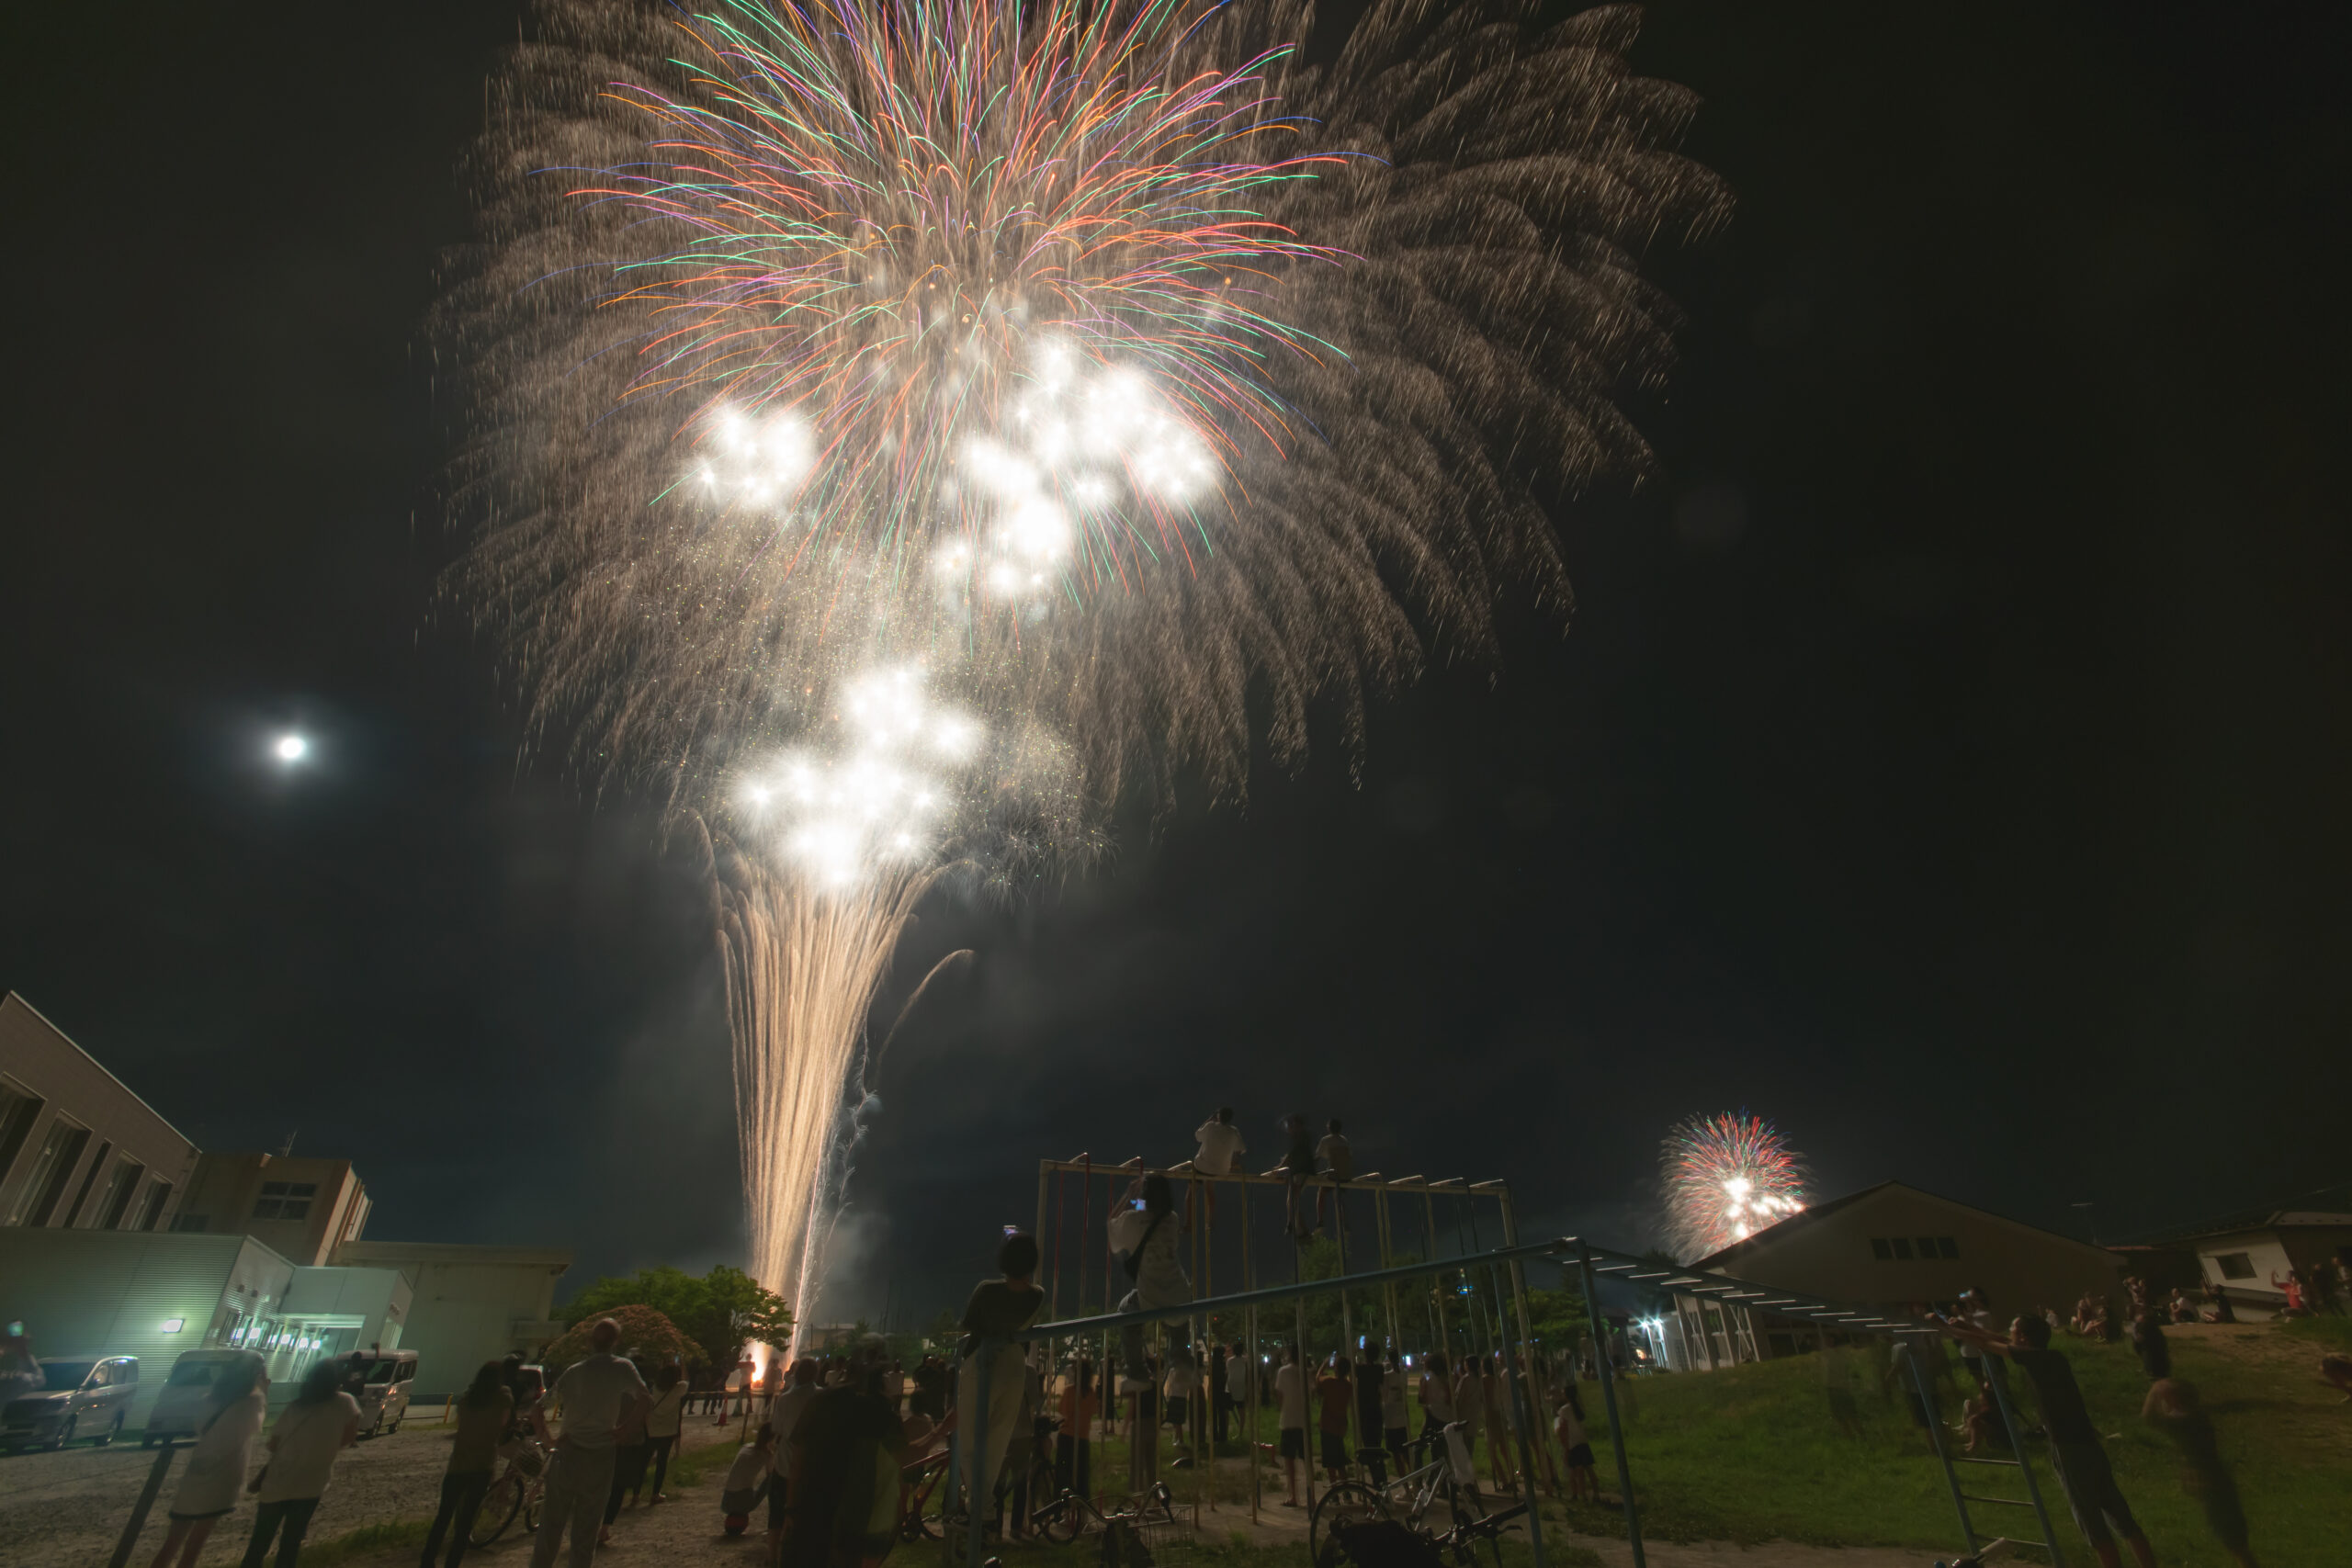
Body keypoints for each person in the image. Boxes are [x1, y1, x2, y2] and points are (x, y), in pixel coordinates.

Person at [1936, 1310, 2156, 1568]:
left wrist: (1947, 1328)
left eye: (2014, 1330)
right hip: (2089, 1444)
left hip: (2069, 1450)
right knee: (2122, 1518)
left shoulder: (2033, 1357)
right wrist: (1965, 1325)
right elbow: (1997, 1339)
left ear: (2025, 1339)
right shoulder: (2050, 1356)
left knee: (2094, 1527)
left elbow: (1988, 1344)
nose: (2010, 1333)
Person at [781, 1337, 944, 1568]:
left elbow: (798, 1457)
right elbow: (906, 1456)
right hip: (850, 1522)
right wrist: (940, 1431)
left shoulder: (822, 1401)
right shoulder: (880, 1412)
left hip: (810, 1512)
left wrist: (791, 1508)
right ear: (883, 1372)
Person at [531, 1318, 651, 1568]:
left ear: (589, 1341)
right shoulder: (623, 1368)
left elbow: (537, 1410)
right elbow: (645, 1400)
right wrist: (625, 1430)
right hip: (601, 1453)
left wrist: (549, 1440)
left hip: (567, 1452)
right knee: (586, 1529)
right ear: (616, 1342)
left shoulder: (574, 1372)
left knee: (550, 1526)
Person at [241, 1358, 363, 1568]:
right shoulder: (345, 1402)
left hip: (278, 1481)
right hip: (311, 1484)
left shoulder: (296, 1406)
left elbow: (273, 1445)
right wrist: (325, 1446)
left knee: (259, 1542)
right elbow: (349, 1436)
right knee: (290, 1544)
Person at [148, 1352, 267, 1568]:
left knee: (172, 1542)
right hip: (223, 1473)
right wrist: (264, 1390)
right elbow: (256, 1427)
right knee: (195, 1543)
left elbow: (198, 1427)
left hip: (197, 1468)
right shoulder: (252, 1402)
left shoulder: (209, 1399)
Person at [957, 1231, 1046, 1514]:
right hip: (1014, 1365)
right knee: (998, 1439)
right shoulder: (1038, 1296)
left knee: (971, 1437)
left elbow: (968, 1324)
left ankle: (978, 1504)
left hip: (982, 1362)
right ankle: (983, 1505)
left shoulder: (986, 1290)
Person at [2143, 1380, 2259, 1568]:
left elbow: (2150, 1418)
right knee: (2235, 1541)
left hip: (2214, 1488)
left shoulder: (2184, 1423)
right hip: (2217, 1484)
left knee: (2235, 1544)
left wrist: (2154, 1391)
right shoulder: (2196, 1417)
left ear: (2175, 1399)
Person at [420, 1360, 514, 1568]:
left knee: (443, 1517)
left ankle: (427, 1561)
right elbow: (503, 1423)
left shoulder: (467, 1398)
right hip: (482, 1466)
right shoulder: (503, 1396)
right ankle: (452, 1563)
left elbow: (460, 1424)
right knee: (465, 1522)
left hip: (458, 1464)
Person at [1107, 1175, 1191, 1392]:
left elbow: (1111, 1226)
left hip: (1149, 1296)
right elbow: (1154, 1207)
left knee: (1126, 1310)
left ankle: (1137, 1372)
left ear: (1144, 1197)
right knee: (1180, 1320)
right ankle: (1181, 1362)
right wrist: (1140, 1198)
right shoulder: (1172, 1219)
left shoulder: (1132, 1220)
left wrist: (1129, 1195)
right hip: (1179, 1293)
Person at [600, 1359, 653, 1544]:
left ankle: (597, 1525)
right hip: (629, 1442)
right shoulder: (637, 1392)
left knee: (603, 1484)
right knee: (617, 1486)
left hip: (606, 1441)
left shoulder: (608, 1391)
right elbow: (647, 1409)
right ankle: (604, 1527)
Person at [639, 1363, 685, 1506]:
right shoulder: (679, 1389)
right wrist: (682, 1365)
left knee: (643, 1461)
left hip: (651, 1430)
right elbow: (686, 1380)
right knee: (662, 1462)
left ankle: (636, 1494)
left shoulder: (653, 1389)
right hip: (668, 1430)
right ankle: (655, 1494)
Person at [720, 1422, 776, 1537]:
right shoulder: (766, 1455)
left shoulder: (746, 1447)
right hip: (743, 1502)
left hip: (726, 1500)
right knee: (772, 1478)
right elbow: (770, 1474)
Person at [1056, 1359, 1097, 1499]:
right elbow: (1093, 1411)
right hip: (1083, 1438)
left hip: (1067, 1437)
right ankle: (1082, 1509)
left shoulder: (1069, 1391)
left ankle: (1065, 1509)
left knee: (1063, 1476)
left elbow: (1064, 1412)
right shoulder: (1091, 1393)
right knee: (1081, 1477)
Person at [1273, 1344, 1308, 1506]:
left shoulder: (1283, 1371)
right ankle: (1311, 1496)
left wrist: (1283, 1410)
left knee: (1289, 1461)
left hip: (1288, 1420)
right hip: (1303, 1421)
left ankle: (1293, 1495)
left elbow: (1279, 1395)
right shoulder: (1305, 1373)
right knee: (1306, 1460)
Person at [1553, 1382, 1595, 1503]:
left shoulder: (1564, 1410)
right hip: (1583, 1442)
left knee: (1574, 1472)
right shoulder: (1579, 1407)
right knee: (1588, 1470)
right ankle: (1593, 1494)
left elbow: (1563, 1429)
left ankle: (1577, 1494)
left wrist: (1565, 1447)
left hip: (1573, 1444)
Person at [1278, 1114, 1318, 1240]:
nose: (1289, 1128)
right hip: (1297, 1172)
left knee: (1292, 1201)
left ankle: (1296, 1227)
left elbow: (1292, 1155)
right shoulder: (1299, 1138)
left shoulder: (1302, 1137)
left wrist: (1278, 1169)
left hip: (1302, 1172)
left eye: (1292, 1125)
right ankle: (1295, 1226)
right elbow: (1291, 1156)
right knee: (1291, 1200)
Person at [1314, 1357, 1352, 1484]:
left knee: (1330, 1463)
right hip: (1340, 1427)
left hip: (1327, 1426)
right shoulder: (1348, 1386)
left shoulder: (1329, 1382)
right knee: (1340, 1462)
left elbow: (1317, 1378)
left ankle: (1334, 1491)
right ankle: (1346, 1491)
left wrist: (1324, 1364)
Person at [1352, 1348, 1387, 1486]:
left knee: (1369, 1447)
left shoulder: (1361, 1370)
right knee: (1376, 1446)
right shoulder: (1379, 1369)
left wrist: (1355, 1351)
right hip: (1376, 1410)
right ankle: (1381, 1478)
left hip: (1365, 1411)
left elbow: (1353, 1367)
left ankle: (1377, 1479)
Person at [1314, 1120, 1352, 1230]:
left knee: (1321, 1191)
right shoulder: (1344, 1140)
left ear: (1329, 1128)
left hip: (1334, 1174)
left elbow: (1317, 1158)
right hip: (1346, 1175)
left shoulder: (1326, 1140)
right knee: (1338, 1197)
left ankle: (1320, 1220)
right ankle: (1344, 1222)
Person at [1379, 1350, 1409, 1479]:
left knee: (1397, 1456)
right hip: (1402, 1418)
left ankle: (1406, 1486)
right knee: (1407, 1454)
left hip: (1391, 1420)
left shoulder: (1387, 1376)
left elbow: (1383, 1395)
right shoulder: (1405, 1373)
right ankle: (1416, 1483)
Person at [1418, 1352, 1455, 1439]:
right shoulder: (1450, 1376)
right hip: (1448, 1414)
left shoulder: (1428, 1376)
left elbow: (1422, 1398)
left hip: (1434, 1413)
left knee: (1424, 1440)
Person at [2127, 1310, 2170, 1382]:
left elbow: (2139, 1339)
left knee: (2143, 1350)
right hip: (2163, 1362)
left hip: (2153, 1360)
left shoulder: (2144, 1325)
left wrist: (2134, 1337)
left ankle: (2151, 1373)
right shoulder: (2153, 1326)